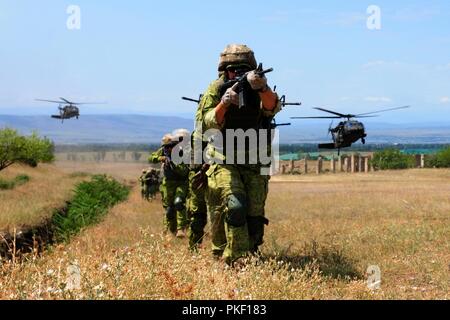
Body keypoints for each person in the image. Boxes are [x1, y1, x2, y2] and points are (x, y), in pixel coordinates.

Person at [198, 44, 281, 265]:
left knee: (254, 216)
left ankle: (251, 252)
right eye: (232, 69)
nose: (237, 73)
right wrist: (224, 104)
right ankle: (236, 258)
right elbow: (206, 123)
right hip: (224, 160)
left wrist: (262, 88)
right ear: (224, 70)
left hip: (254, 160)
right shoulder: (216, 89)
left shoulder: (260, 87)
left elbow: (273, 108)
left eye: (243, 68)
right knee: (235, 206)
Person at [149, 133, 189, 237]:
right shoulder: (164, 151)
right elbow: (151, 157)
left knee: (179, 202)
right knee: (169, 208)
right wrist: (160, 158)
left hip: (181, 182)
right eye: (167, 146)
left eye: (172, 146)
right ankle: (169, 230)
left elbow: (184, 172)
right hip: (168, 182)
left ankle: (181, 229)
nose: (170, 149)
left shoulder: (182, 153)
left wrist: (173, 164)